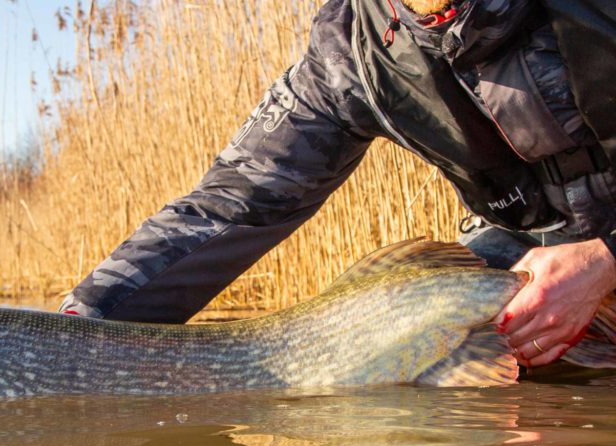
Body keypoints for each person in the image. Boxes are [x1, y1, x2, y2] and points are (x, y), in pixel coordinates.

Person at [58, 0, 616, 368]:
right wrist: (81, 323)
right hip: (527, 258)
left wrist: (602, 259)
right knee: (421, 361)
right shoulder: (350, 51)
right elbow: (230, 204)